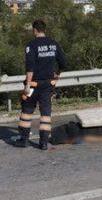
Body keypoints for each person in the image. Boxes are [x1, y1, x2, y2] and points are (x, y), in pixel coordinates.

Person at [13, 19, 67, 150]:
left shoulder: (31, 45)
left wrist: (27, 85)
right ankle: (43, 142)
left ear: (34, 30)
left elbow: (30, 67)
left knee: (27, 111)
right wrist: (57, 74)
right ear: (45, 30)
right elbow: (64, 63)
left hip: (33, 84)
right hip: (48, 84)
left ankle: (23, 140)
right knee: (45, 113)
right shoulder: (54, 44)